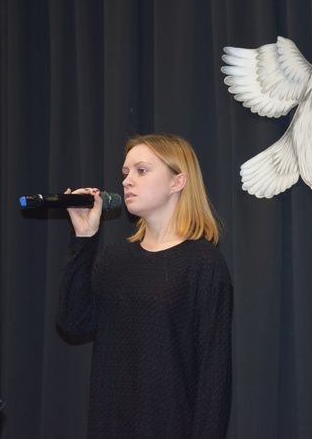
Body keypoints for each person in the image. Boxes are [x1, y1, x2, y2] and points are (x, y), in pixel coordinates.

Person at [56, 133, 233, 438]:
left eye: (141, 171)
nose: (127, 181)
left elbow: (213, 379)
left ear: (177, 182)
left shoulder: (202, 263)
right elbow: (72, 321)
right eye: (125, 173)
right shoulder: (115, 259)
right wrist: (84, 239)